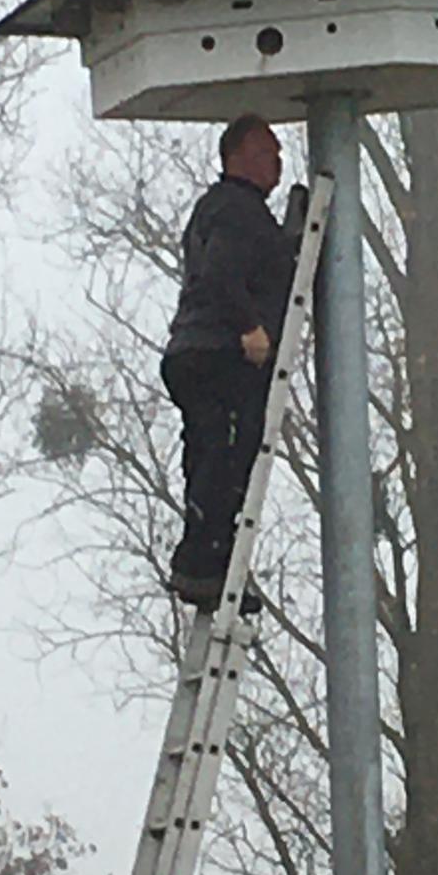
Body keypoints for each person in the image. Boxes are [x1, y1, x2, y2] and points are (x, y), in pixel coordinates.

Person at [161, 114, 305, 607]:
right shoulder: (236, 210)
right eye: (269, 154)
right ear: (239, 156)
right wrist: (250, 329)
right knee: (226, 455)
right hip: (217, 353)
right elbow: (222, 273)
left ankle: (205, 561)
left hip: (192, 351)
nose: (278, 164)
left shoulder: (219, 209)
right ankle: (207, 561)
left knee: (207, 451)